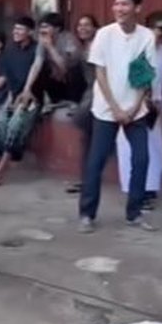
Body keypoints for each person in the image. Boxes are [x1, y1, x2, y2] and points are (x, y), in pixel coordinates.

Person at [78, 0, 157, 233]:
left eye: (125, 4)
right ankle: (87, 214)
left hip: (136, 110)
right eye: (117, 4)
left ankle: (134, 213)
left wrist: (133, 108)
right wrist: (115, 107)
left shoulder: (146, 36)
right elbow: (100, 73)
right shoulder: (105, 34)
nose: (119, 8)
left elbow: (144, 76)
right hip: (105, 109)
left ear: (137, 8)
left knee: (142, 159)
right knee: (96, 161)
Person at [116, 10, 162, 210]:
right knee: (130, 147)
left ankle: (150, 188)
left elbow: (161, 77)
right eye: (161, 29)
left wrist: (159, 102)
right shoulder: (137, 47)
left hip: (154, 101)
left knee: (155, 147)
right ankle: (135, 190)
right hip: (132, 101)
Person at [0, 16, 38, 187]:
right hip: (11, 97)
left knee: (13, 129)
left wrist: (24, 96)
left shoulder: (36, 50)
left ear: (30, 32)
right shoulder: (9, 52)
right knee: (0, 129)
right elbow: (6, 80)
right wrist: (10, 99)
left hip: (31, 98)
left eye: (20, 29)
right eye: (15, 29)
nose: (16, 32)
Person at [18, 12, 85, 107]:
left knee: (73, 72)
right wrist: (27, 87)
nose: (42, 30)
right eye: (41, 27)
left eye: (46, 27)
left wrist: (50, 47)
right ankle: (39, 104)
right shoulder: (43, 40)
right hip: (55, 77)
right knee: (39, 71)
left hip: (71, 78)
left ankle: (71, 102)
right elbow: (37, 64)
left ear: (57, 29)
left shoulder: (69, 39)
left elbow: (65, 67)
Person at [66, 14, 100, 194]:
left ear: (95, 28)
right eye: (80, 25)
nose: (83, 28)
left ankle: (89, 179)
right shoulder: (81, 48)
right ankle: (86, 179)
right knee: (86, 138)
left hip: (99, 94)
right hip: (89, 93)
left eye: (87, 25)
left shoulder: (99, 45)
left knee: (90, 136)